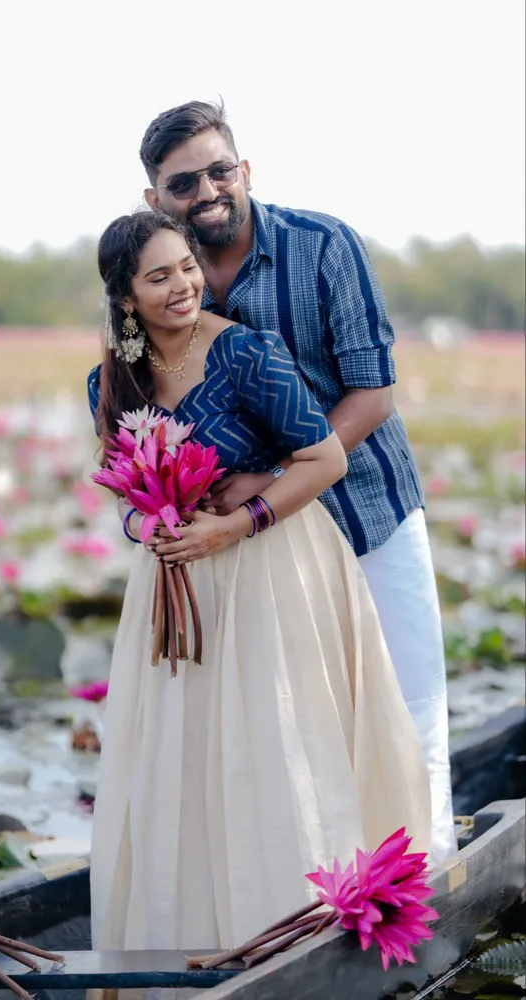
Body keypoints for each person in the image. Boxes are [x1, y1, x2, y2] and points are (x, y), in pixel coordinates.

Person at [86, 210, 432, 952]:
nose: (183, 285)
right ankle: (190, 933)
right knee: (181, 751)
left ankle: (289, 923)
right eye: (159, 277)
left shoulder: (245, 353)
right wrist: (151, 528)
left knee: (273, 738)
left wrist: (233, 525)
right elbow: (123, 495)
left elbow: (324, 459)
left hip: (271, 567)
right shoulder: (110, 381)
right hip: (176, 582)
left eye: (187, 267)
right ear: (125, 299)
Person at [139, 99, 455, 865]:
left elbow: (372, 396)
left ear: (245, 170)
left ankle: (430, 872)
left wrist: (271, 481)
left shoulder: (321, 246)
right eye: (183, 183)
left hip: (365, 508)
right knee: (292, 724)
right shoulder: (160, 286)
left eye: (219, 171)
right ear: (155, 198)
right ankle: (317, 881)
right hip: (262, 548)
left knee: (410, 706)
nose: (207, 191)